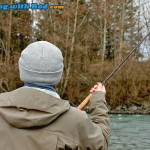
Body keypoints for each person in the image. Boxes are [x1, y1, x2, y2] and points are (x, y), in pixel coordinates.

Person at [0, 41, 110, 150]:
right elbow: (100, 144)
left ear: (21, 70)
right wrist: (98, 99)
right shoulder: (76, 120)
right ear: (59, 75)